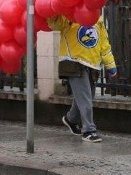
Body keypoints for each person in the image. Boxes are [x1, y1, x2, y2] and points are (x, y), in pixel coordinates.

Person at [46, 14, 118, 143]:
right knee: (85, 98)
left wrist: (110, 64)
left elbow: (104, 43)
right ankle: (88, 130)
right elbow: (55, 24)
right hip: (74, 62)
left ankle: (71, 119)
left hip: (92, 64)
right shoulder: (68, 15)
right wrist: (53, 11)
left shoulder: (99, 19)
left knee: (86, 96)